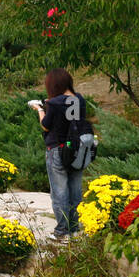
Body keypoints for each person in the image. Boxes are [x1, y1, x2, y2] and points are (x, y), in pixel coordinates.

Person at [31, 68, 87, 241]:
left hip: (58, 150)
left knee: (60, 191)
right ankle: (75, 227)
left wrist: (40, 109)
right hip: (78, 150)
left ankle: (62, 231)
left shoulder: (54, 103)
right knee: (75, 189)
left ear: (53, 84)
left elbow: (46, 125)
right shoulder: (79, 100)